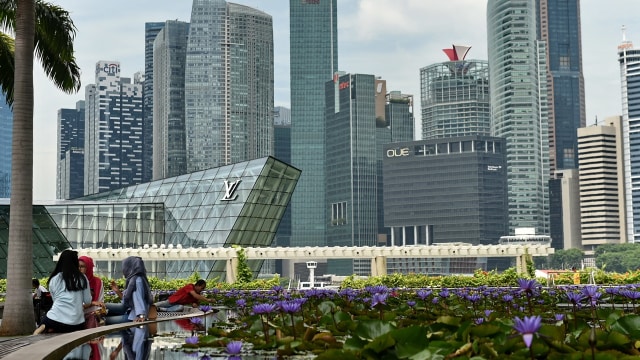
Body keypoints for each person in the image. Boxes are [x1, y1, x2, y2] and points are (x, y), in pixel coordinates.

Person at [34, 249, 92, 334]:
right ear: (75, 262)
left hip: (55, 319)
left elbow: (55, 300)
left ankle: (44, 327)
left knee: (41, 328)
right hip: (76, 323)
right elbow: (87, 301)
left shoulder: (54, 279)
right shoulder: (82, 278)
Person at [105, 256, 154, 325]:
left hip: (133, 317)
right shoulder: (137, 278)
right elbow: (127, 300)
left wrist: (140, 315)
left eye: (125, 267)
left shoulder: (136, 281)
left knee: (105, 320)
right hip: (131, 312)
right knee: (103, 310)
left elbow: (138, 298)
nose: (123, 270)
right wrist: (118, 291)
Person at [79, 255, 105, 328]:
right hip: (78, 315)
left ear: (89, 268)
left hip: (95, 313)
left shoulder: (98, 282)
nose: (79, 269)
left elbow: (100, 302)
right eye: (77, 266)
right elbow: (77, 306)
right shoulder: (75, 282)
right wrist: (92, 303)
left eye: (82, 266)